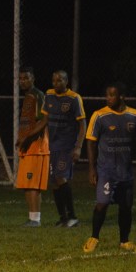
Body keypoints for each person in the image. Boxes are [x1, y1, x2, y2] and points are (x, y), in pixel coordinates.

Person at [83, 82, 136, 253]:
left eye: (112, 95)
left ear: (122, 96)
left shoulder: (134, 115)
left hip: (125, 171)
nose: (108, 98)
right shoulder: (99, 116)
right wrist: (91, 168)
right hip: (106, 170)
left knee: (126, 207)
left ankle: (124, 241)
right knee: (102, 203)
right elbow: (91, 143)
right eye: (107, 95)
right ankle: (94, 237)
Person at [43, 70, 86, 227]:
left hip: (66, 146)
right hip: (52, 146)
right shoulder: (48, 95)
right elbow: (45, 120)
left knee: (61, 177)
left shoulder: (74, 98)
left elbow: (82, 124)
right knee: (54, 182)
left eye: (60, 80)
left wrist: (78, 147)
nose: (56, 83)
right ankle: (63, 218)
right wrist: (44, 140)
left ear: (66, 82)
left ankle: (73, 217)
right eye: (54, 80)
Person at [15, 65, 49, 226]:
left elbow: (43, 120)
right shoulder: (28, 96)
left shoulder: (37, 95)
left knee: (32, 184)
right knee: (27, 184)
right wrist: (21, 138)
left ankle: (35, 219)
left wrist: (27, 138)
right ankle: (32, 218)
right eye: (20, 78)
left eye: (26, 78)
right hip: (28, 146)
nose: (23, 81)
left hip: (37, 146)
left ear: (33, 79)